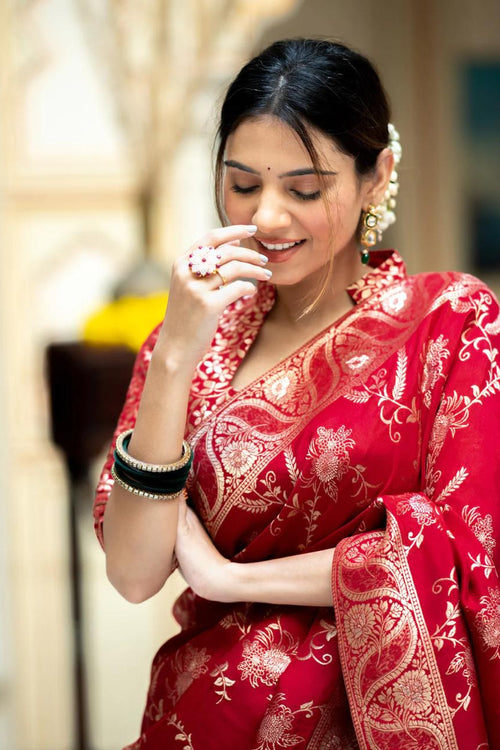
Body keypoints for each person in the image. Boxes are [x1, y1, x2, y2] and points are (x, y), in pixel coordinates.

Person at [94, 38, 500, 749]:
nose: (269, 217)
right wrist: (174, 358)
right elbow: (132, 573)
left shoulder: (447, 327)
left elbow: (468, 560)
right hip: (198, 719)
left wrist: (225, 578)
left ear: (379, 175)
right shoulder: (190, 343)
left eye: (304, 189)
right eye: (243, 184)